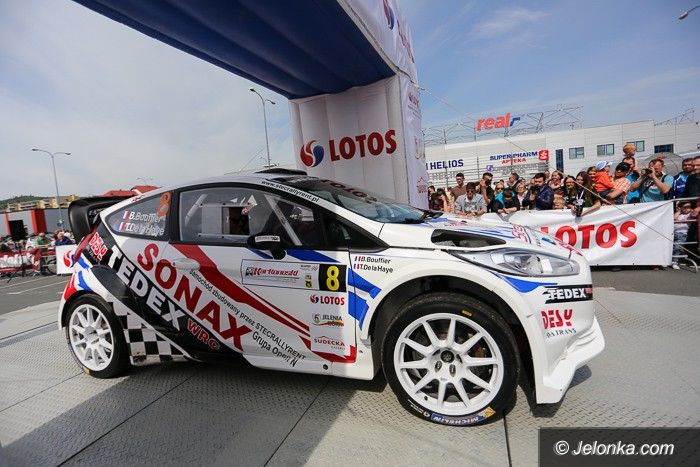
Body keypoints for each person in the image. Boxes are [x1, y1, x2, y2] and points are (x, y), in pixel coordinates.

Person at [672, 202, 693, 269]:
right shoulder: (678, 214)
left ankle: (675, 262)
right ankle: (669, 260)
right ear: (681, 208)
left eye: (688, 207)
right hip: (673, 233)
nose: (687, 209)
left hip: (682, 234)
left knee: (678, 248)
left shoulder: (689, 214)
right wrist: (679, 211)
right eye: (685, 207)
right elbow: (674, 218)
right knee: (671, 247)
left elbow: (694, 213)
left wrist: (691, 210)